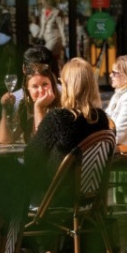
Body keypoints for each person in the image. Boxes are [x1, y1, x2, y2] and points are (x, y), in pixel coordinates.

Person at [25, 58, 110, 195]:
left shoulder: (58, 118)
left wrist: (39, 108)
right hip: (90, 194)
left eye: (62, 82)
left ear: (67, 86)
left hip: (56, 195)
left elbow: (32, 157)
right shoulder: (101, 119)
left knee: (9, 172)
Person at [0, 64, 58, 145]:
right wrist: (5, 109)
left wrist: (38, 108)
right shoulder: (25, 107)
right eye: (35, 86)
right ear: (28, 89)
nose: (41, 90)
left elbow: (43, 144)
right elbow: (6, 140)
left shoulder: (61, 108)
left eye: (45, 84)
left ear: (52, 85)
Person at [38, 0, 67, 70]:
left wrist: (64, 41)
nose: (43, 5)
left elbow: (61, 27)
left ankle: (49, 74)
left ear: (48, 2)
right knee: (53, 60)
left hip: (55, 38)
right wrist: (39, 37)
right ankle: (54, 76)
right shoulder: (43, 12)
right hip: (46, 38)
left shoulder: (57, 13)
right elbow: (42, 27)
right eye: (41, 4)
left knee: (46, 56)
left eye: (43, 3)